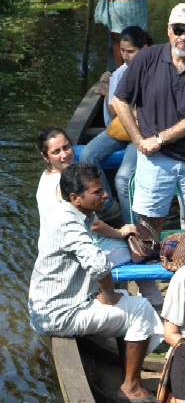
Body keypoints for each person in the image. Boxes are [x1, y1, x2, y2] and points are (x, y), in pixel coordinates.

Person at [28, 162, 163, 403]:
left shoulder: (73, 213)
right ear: (75, 198)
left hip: (53, 305)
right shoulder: (67, 222)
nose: (104, 195)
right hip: (58, 314)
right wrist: (108, 295)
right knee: (141, 309)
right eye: (97, 192)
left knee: (126, 300)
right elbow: (99, 266)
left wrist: (109, 294)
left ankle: (126, 371)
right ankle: (131, 388)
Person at [112, 2, 185, 235]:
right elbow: (119, 101)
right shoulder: (146, 58)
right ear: (168, 29)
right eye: (179, 30)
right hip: (155, 157)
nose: (184, 37)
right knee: (150, 224)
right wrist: (138, 140)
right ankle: (152, 260)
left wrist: (159, 139)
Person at [35, 126, 162, 308]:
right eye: (56, 152)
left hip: (61, 246)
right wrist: (120, 232)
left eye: (66, 148)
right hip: (75, 251)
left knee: (128, 248)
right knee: (138, 251)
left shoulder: (47, 177)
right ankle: (156, 305)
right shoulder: (62, 185)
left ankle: (128, 302)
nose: (64, 155)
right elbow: (92, 224)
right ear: (46, 157)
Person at [79, 26, 152, 221]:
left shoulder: (156, 73)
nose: (126, 56)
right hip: (121, 129)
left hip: (144, 134)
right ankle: (109, 206)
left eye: (131, 52)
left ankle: (134, 227)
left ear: (144, 49)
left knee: (122, 178)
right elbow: (113, 112)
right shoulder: (120, 73)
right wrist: (109, 87)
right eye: (123, 51)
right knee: (87, 156)